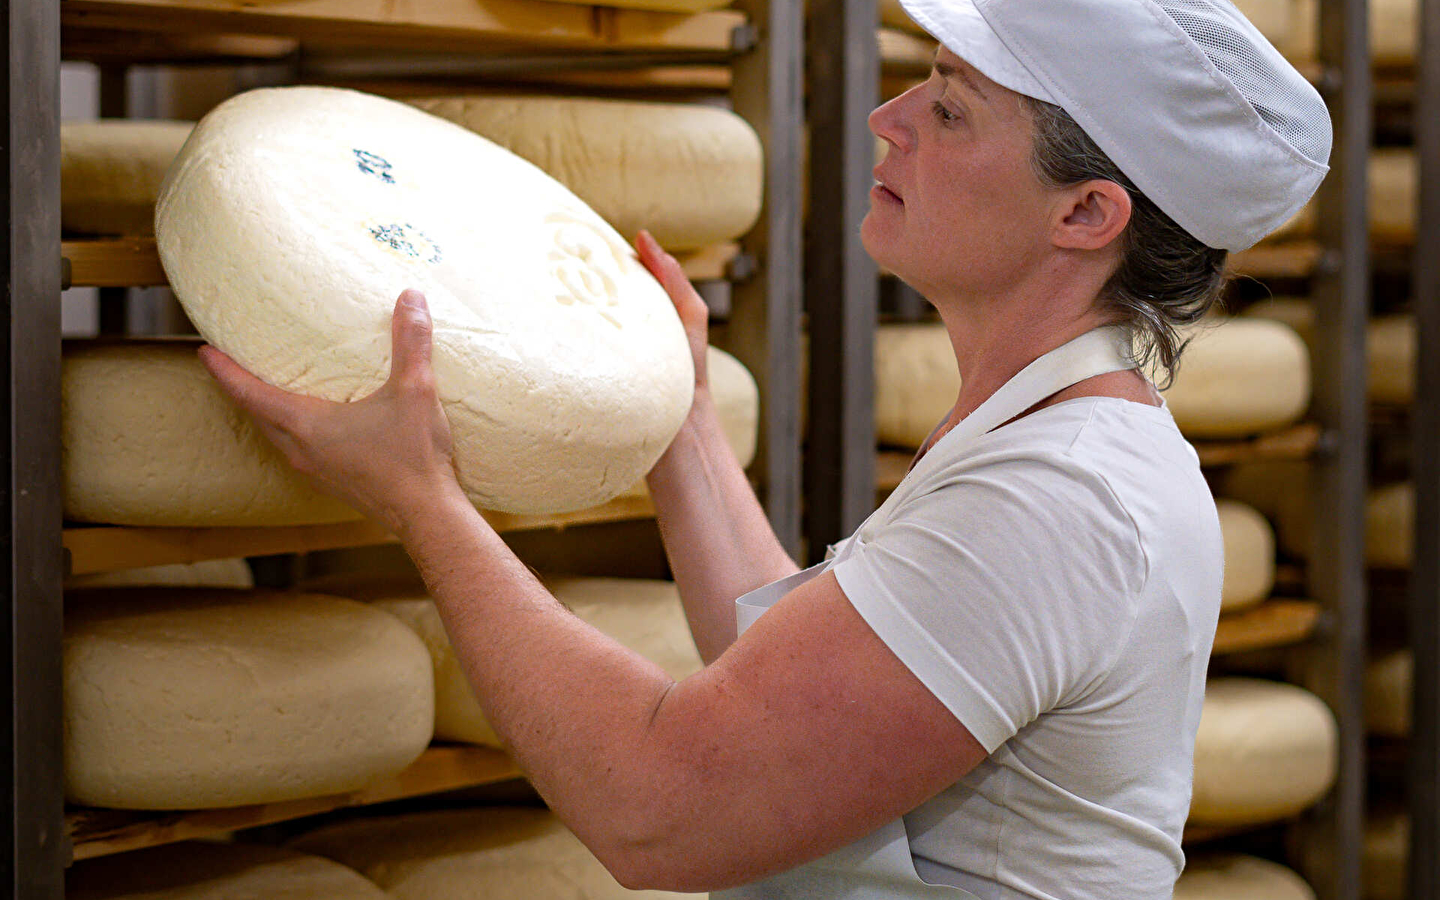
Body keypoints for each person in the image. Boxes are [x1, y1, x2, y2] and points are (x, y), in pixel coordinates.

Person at [200, 1, 1332, 896]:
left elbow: (660, 805)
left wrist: (423, 501)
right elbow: (800, 687)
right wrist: (680, 426)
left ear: (1085, 215)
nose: (887, 117)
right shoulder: (1055, 441)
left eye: (950, 107)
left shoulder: (1059, 499)